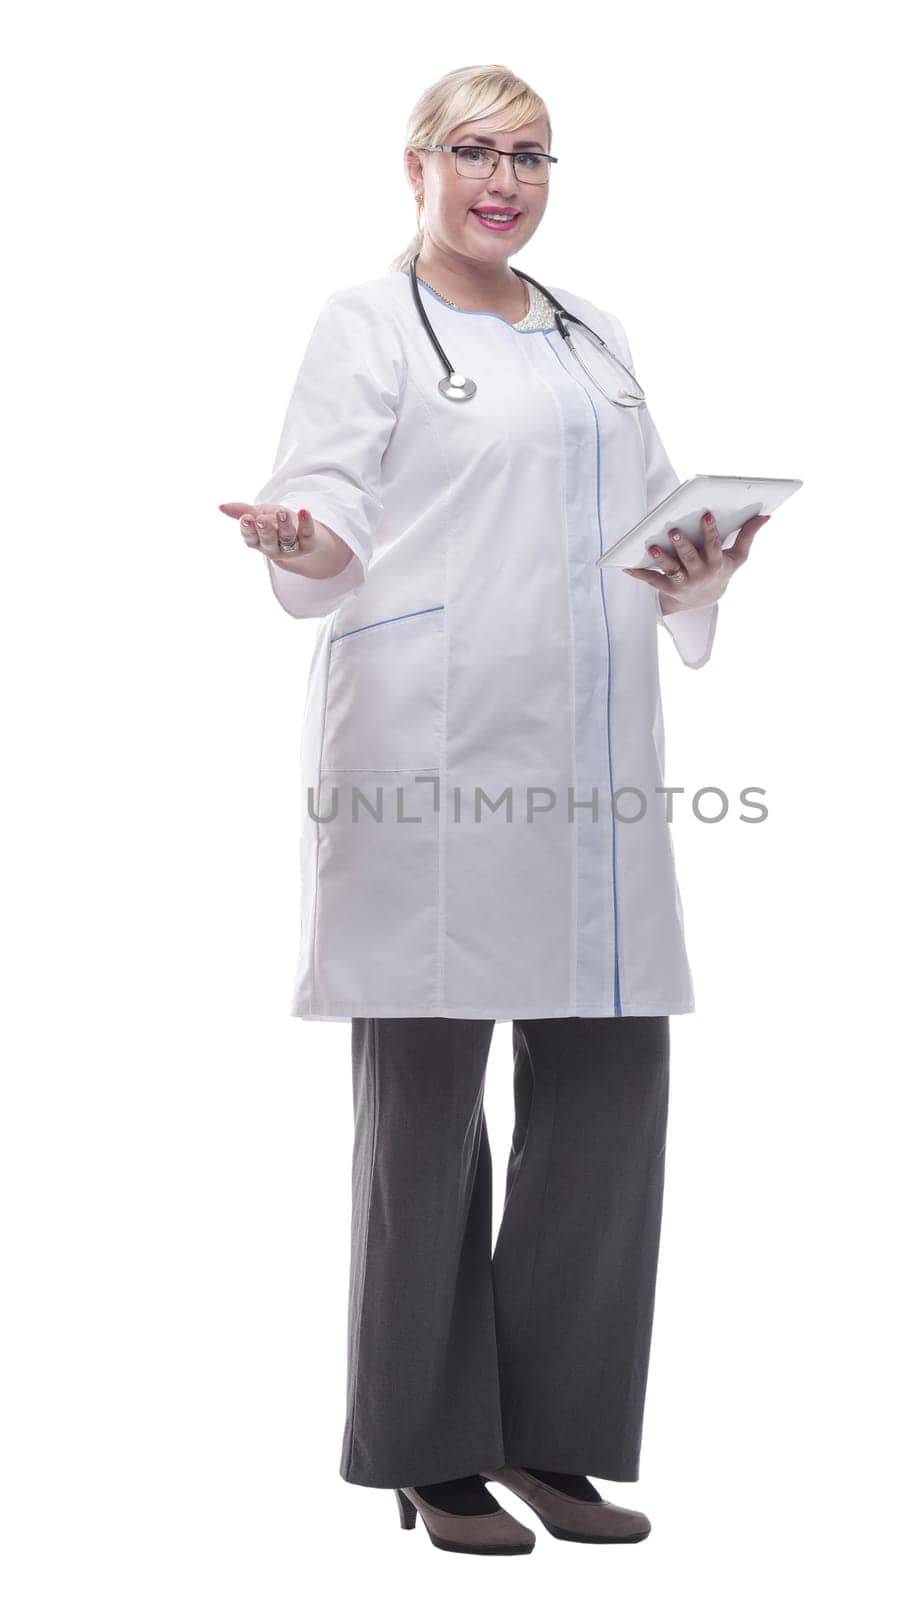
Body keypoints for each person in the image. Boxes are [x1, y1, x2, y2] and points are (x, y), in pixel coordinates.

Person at [219, 63, 769, 1556]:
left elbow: (652, 522)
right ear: (416, 166)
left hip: (589, 757)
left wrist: (705, 559)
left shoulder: (597, 336)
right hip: (437, 756)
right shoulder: (365, 324)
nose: (505, 179)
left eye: (530, 155)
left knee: (607, 1094)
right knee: (425, 1106)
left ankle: (555, 1441)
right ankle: (430, 1448)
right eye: (476, 151)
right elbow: (323, 514)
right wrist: (298, 536)